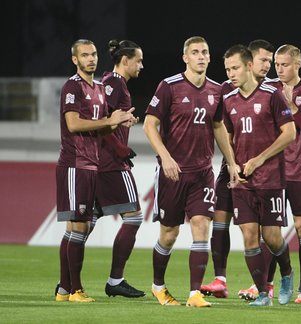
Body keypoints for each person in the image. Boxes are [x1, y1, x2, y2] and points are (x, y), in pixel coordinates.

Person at [142, 36, 239, 308]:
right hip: (173, 173)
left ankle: (194, 293)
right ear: (185, 57)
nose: (200, 56)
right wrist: (166, 157)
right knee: (169, 233)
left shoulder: (216, 90)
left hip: (202, 173)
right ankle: (158, 285)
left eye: (204, 52)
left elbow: (218, 126)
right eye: (194, 52)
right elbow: (149, 125)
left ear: (209, 58)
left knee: (200, 226)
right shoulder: (168, 87)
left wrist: (231, 161)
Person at [55, 39, 137, 303]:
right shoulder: (72, 87)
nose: (91, 59)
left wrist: (118, 122)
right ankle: (75, 290)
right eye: (84, 55)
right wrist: (109, 120)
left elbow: (101, 128)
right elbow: (73, 123)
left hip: (92, 165)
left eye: (93, 54)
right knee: (78, 227)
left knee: (79, 226)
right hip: (74, 164)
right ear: (75, 60)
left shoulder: (100, 89)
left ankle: (64, 290)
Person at [200, 39, 276, 300]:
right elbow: (220, 127)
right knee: (219, 220)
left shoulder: (272, 92)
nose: (267, 65)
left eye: (270, 60)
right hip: (229, 167)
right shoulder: (226, 90)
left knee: (263, 231)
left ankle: (264, 283)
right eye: (263, 60)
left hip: (263, 172)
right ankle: (220, 279)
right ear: (250, 62)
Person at [222, 44, 296, 306]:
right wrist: (231, 164)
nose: (231, 74)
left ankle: (287, 273)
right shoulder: (228, 99)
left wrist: (260, 158)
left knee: (272, 238)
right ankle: (262, 294)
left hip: (271, 178)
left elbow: (290, 133)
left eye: (236, 68)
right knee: (249, 236)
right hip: (243, 181)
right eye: (228, 69)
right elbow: (228, 136)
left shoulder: (271, 95)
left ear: (249, 66)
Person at [262, 44, 301, 304]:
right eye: (277, 64)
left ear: (298, 64)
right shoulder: (268, 89)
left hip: (300, 169)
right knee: (271, 230)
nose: (280, 69)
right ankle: (266, 287)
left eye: (285, 64)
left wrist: (292, 107)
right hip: (273, 171)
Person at [87, 39, 145, 298]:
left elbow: (110, 117)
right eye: (138, 60)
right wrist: (120, 149)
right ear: (125, 60)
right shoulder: (113, 83)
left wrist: (125, 120)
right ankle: (115, 280)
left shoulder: (112, 81)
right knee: (134, 217)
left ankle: (67, 282)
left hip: (99, 163)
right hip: (110, 163)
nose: (141, 65)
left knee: (84, 224)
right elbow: (99, 119)